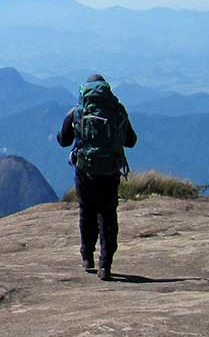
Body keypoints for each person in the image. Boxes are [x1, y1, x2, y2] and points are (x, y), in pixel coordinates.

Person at [57, 74, 137, 281]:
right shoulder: (118, 112)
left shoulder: (77, 112)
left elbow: (63, 140)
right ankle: (106, 263)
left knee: (87, 211)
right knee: (108, 214)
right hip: (110, 171)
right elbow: (132, 141)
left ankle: (87, 256)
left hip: (85, 170)